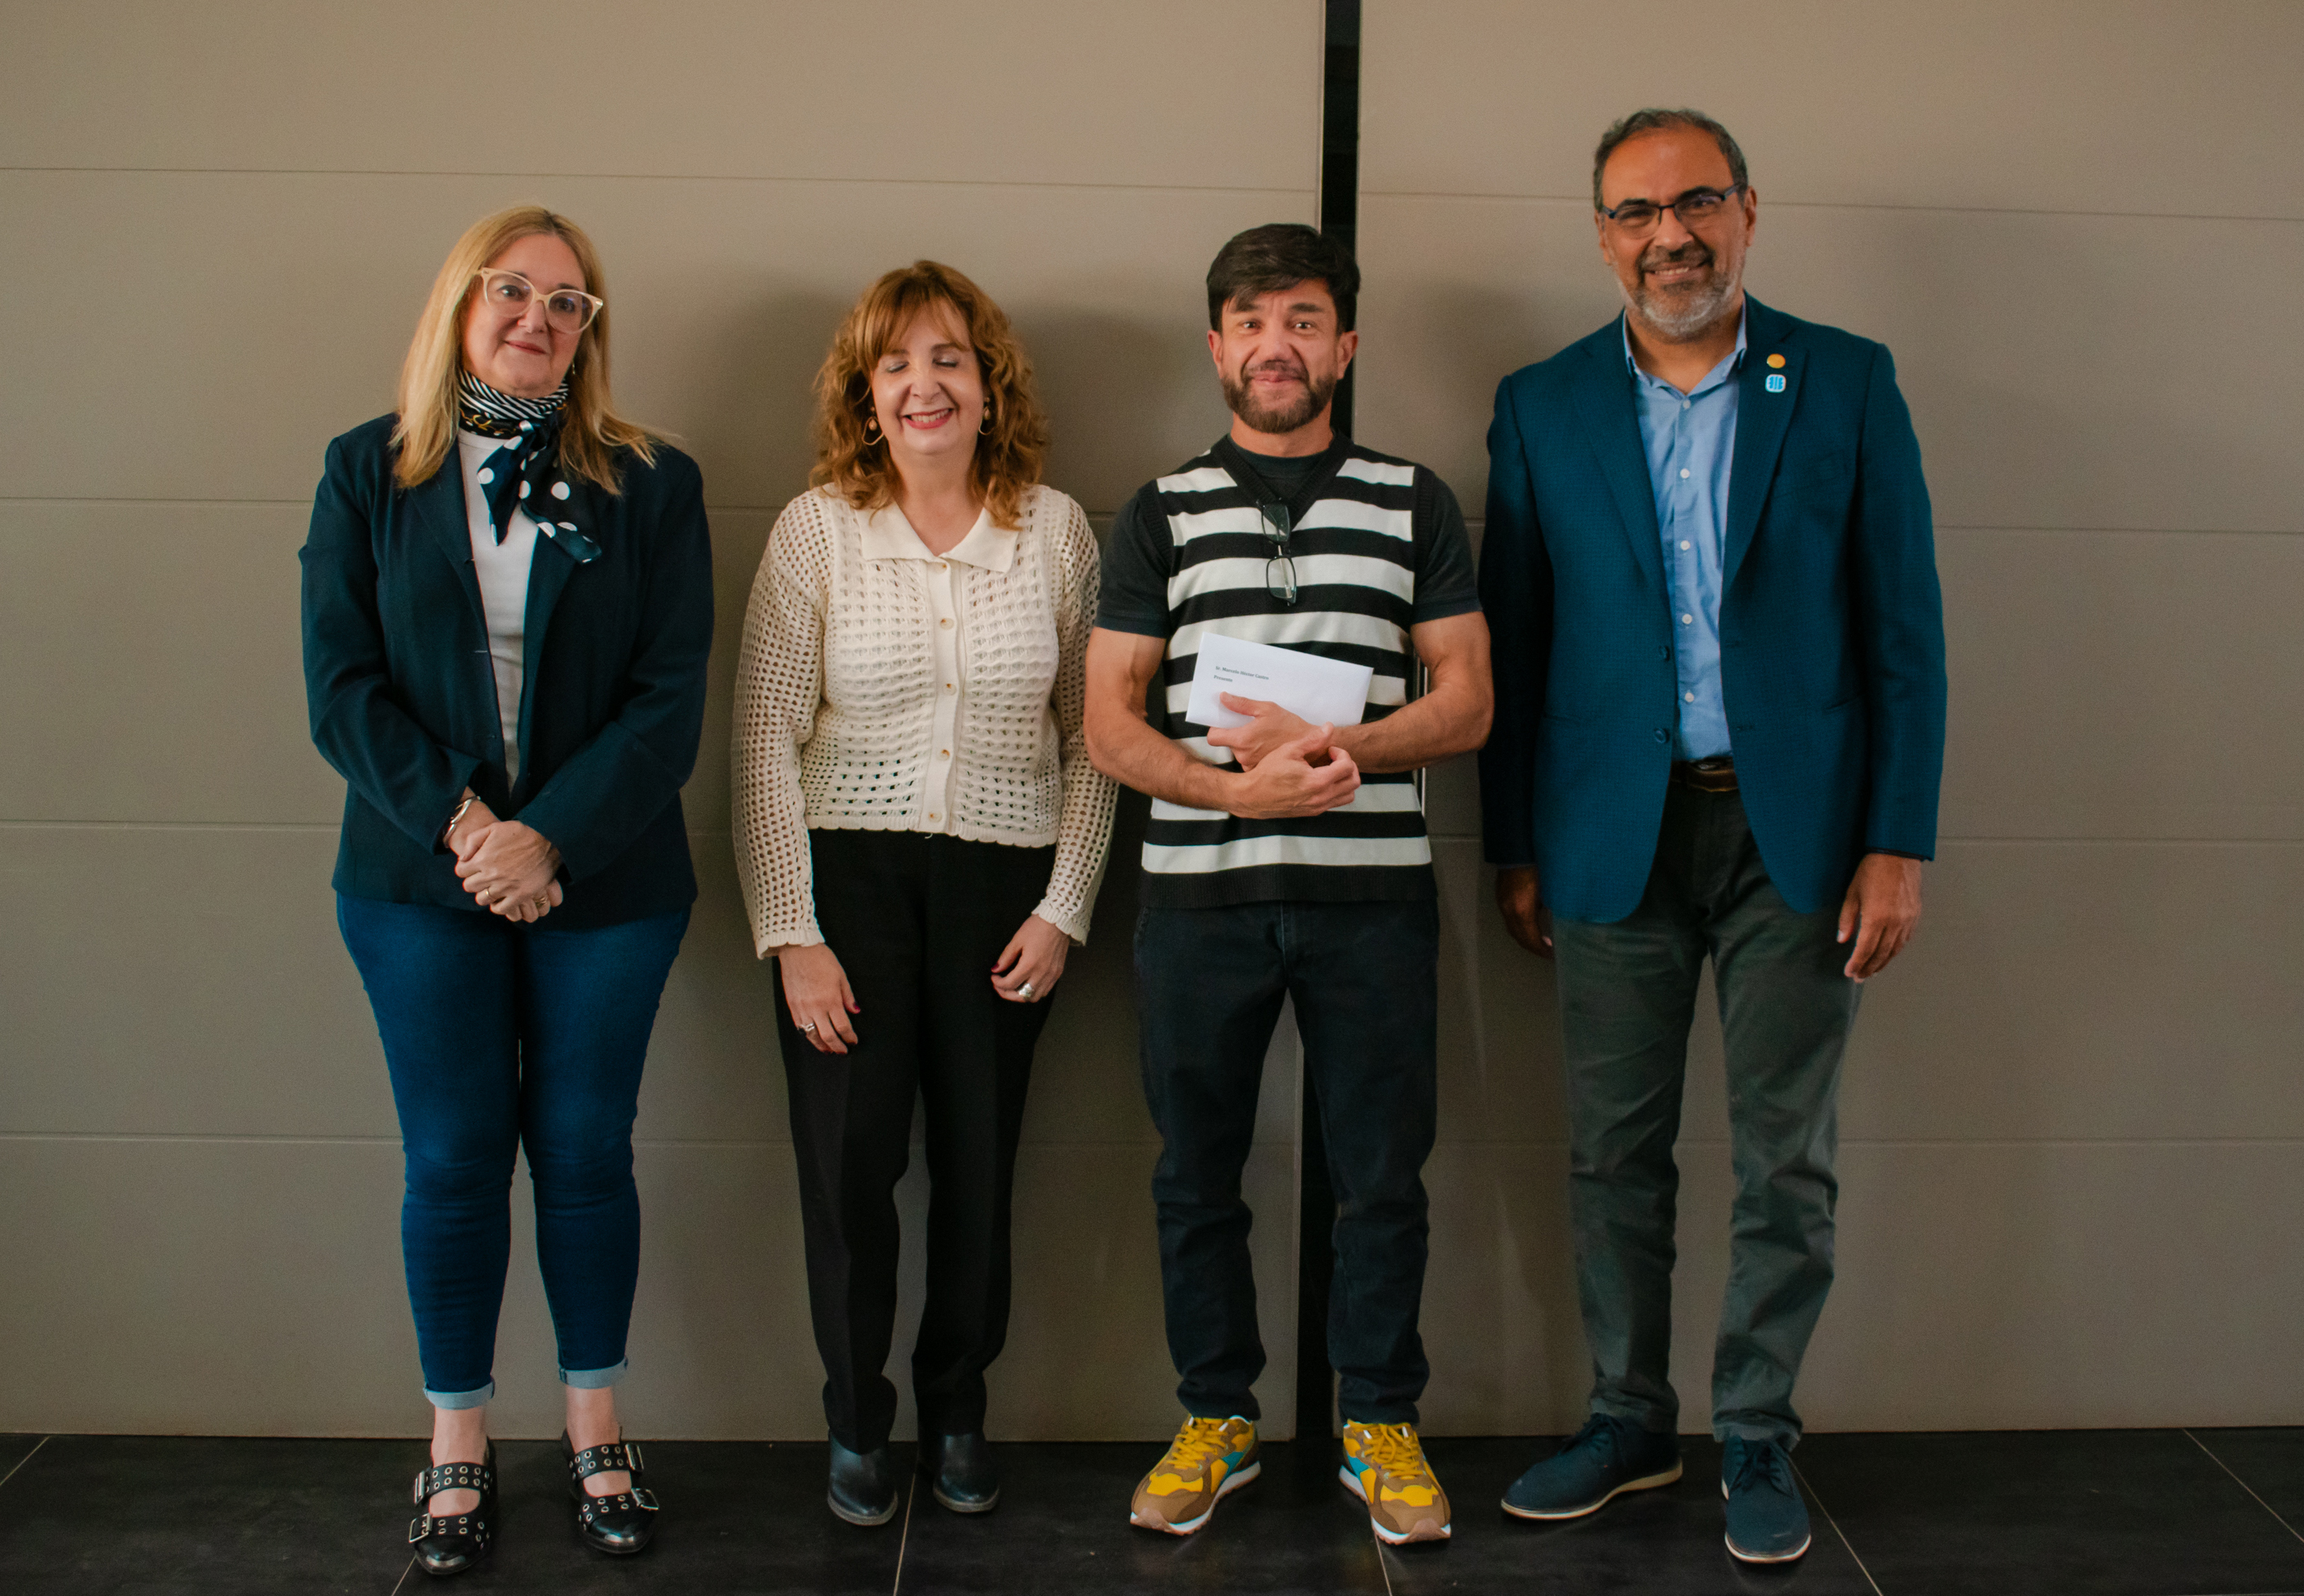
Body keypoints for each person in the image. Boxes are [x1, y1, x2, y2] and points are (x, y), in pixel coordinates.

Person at [1479, 109, 1947, 1564]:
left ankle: (1753, 1431)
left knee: (1780, 1157)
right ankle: (1628, 1419)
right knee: (1612, 1153)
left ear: (1749, 211)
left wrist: (1896, 841)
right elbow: (1515, 637)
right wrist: (1512, 843)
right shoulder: (1540, 403)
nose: (1666, 233)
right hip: (1608, 838)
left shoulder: (1848, 384)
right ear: (1599, 232)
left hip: (1794, 840)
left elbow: (1902, 639)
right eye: (1633, 211)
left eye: (1695, 202)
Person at [302, 205, 713, 1575]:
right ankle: (459, 1440)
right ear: (460, 305)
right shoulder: (368, 471)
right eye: (512, 291)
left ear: (592, 331)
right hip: (419, 880)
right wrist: (475, 829)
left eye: (570, 301)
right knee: (457, 1156)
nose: (539, 317)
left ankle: (595, 1421)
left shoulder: (652, 481)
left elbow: (667, 703)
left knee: (588, 1152)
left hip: (609, 879)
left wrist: (550, 839)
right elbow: (341, 690)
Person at [1084, 223, 1492, 1546]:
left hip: (1370, 901)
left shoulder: (1413, 500)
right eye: (1253, 322)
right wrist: (1232, 792)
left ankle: (1378, 1417)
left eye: (1305, 320)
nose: (1278, 345)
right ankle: (1217, 1416)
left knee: (1382, 1175)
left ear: (1345, 345)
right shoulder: (1156, 511)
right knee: (1195, 1172)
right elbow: (1108, 722)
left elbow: (1469, 698)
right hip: (1196, 903)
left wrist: (1343, 751)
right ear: (1217, 347)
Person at [732, 261, 1119, 1528]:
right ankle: (857, 1420)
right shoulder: (817, 529)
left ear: (988, 383)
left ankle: (957, 1407)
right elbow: (762, 741)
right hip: (846, 885)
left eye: (947, 357)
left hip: (1004, 892)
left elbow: (1092, 741)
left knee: (978, 1162)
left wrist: (1064, 906)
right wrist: (791, 930)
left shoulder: (1055, 530)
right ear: (864, 392)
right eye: (893, 363)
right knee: (847, 1170)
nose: (921, 383)